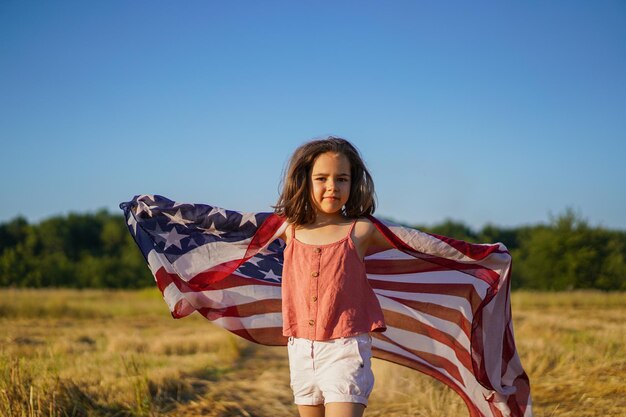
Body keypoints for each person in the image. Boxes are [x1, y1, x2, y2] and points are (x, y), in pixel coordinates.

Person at [273, 137, 394, 417]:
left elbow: (422, 246)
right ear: (304, 180)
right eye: (321, 178)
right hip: (301, 351)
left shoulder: (361, 230)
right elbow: (230, 227)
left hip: (345, 348)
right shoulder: (288, 229)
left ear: (353, 183)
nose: (332, 187)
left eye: (342, 179)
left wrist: (481, 255)